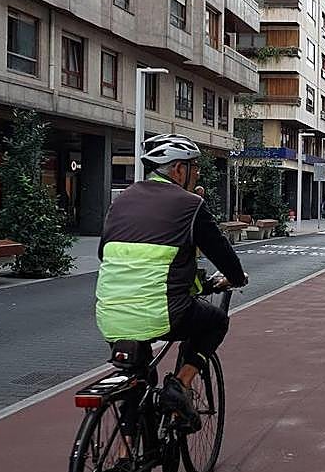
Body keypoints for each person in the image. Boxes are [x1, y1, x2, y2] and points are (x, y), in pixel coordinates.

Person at [94, 133, 248, 430]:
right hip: (164, 313)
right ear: (178, 169)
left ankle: (127, 461)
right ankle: (181, 384)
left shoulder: (121, 201)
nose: (196, 174)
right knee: (215, 321)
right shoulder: (190, 205)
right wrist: (235, 278)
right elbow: (222, 252)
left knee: (137, 381)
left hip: (109, 316)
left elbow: (106, 253)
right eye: (194, 167)